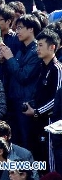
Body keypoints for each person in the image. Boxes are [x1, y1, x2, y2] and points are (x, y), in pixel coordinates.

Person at [0, 14, 41, 150]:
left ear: (31, 29)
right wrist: (4, 59)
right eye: (16, 28)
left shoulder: (36, 51)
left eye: (20, 28)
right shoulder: (21, 48)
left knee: (26, 141)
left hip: (26, 103)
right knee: (14, 141)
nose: (17, 31)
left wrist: (10, 58)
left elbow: (23, 76)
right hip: (14, 100)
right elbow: (12, 72)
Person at [22, 30, 62, 168]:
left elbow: (57, 99)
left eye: (40, 45)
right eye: (37, 45)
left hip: (51, 122)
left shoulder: (57, 69)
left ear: (52, 47)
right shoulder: (41, 67)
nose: (37, 49)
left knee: (50, 159)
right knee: (37, 157)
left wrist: (37, 111)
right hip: (37, 120)